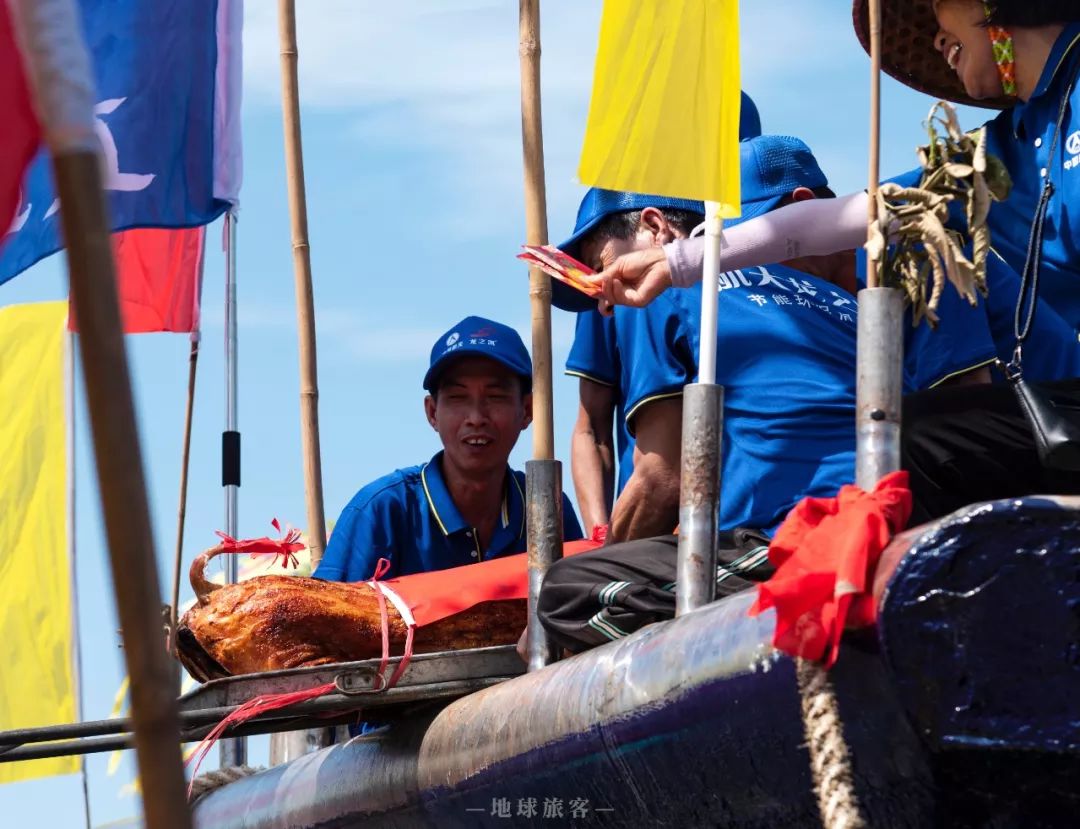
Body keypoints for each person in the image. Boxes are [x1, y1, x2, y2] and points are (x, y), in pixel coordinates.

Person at [594, 0, 1080, 514]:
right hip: (1055, 413)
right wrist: (676, 263)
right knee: (895, 446)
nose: (937, 37)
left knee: (911, 442)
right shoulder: (983, 154)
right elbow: (824, 224)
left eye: (940, 9)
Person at [535, 135, 997, 654]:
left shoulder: (659, 293)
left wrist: (558, 626)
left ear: (653, 228)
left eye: (602, 265)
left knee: (565, 595)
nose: (601, 290)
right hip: (902, 497)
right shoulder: (837, 295)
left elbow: (661, 478)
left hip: (799, 527)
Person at [560, 92, 764, 536]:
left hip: (725, 529)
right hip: (668, 525)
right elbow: (591, 428)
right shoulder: (626, 282)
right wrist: (602, 537)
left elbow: (663, 476)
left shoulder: (771, 258)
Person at [314, 316, 583, 581]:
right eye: (458, 398)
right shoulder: (381, 511)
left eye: (495, 397)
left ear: (526, 410)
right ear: (432, 413)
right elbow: (321, 619)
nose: (476, 417)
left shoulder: (545, 508)